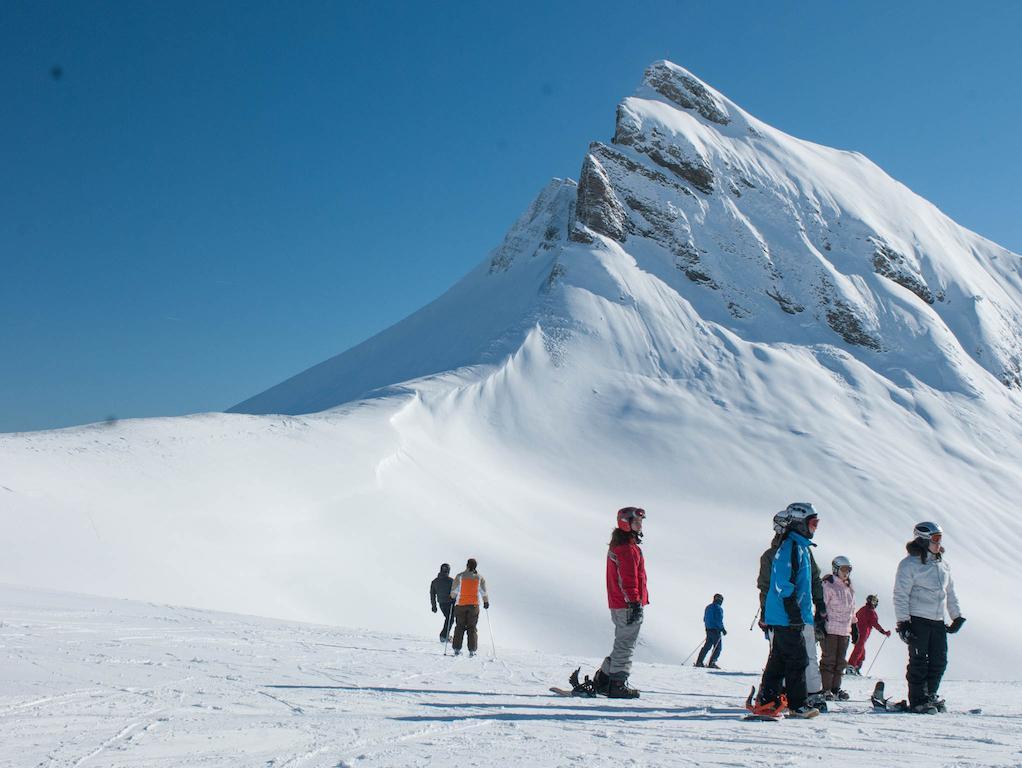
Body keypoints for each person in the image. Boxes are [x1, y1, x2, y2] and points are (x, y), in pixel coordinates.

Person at [752, 502, 820, 719]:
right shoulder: (790, 547)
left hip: (786, 615)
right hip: (787, 616)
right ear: (800, 524)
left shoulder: (799, 547)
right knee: (798, 659)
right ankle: (798, 704)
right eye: (813, 523)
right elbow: (783, 584)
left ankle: (768, 701)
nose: (815, 528)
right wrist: (794, 613)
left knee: (779, 659)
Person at [893, 522, 965, 714]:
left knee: (939, 660)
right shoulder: (909, 564)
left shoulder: (943, 564)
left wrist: (956, 616)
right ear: (923, 540)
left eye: (940, 538)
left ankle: (930, 694)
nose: (938, 542)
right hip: (918, 619)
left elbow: (950, 592)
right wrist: (903, 622)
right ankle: (918, 700)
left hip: (938, 620)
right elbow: (901, 594)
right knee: (919, 661)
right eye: (935, 538)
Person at [592, 506, 648, 699]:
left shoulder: (624, 546)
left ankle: (604, 680)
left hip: (620, 603)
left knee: (622, 642)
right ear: (625, 524)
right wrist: (634, 603)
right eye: (637, 522)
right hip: (626, 605)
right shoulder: (626, 549)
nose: (640, 526)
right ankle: (616, 684)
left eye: (641, 522)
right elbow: (628, 579)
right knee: (626, 644)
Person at [819, 556, 855, 700]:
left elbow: (851, 609)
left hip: (844, 630)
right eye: (843, 570)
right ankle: (826, 689)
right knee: (829, 660)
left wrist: (855, 625)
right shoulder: (828, 585)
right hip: (831, 629)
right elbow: (822, 605)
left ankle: (835, 688)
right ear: (836, 569)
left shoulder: (849, 587)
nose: (846, 573)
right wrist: (820, 623)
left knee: (841, 662)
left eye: (848, 570)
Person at [450, 558, 489, 657]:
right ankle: (472, 651)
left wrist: (452, 597)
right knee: (472, 628)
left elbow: (454, 591)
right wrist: (486, 602)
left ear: (467, 565)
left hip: (460, 605)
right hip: (474, 606)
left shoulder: (460, 576)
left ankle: (457, 649)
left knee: (459, 627)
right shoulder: (479, 578)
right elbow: (483, 592)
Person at [846, 595, 890, 674]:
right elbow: (875, 623)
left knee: (861, 653)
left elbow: (854, 618)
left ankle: (855, 668)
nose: (876, 604)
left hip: (857, 633)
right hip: (862, 634)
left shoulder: (862, 609)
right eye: (875, 601)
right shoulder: (870, 612)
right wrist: (884, 632)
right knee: (858, 650)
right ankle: (850, 667)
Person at [695, 594, 726, 668]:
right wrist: (722, 629)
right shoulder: (718, 608)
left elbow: (705, 619)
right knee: (718, 647)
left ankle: (699, 662)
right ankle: (712, 663)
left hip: (708, 629)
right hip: (716, 630)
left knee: (707, 646)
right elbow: (718, 620)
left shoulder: (708, 607)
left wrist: (707, 627)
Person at [430, 563, 454, 642]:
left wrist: (434, 606)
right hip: (451, 603)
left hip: (441, 604)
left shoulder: (435, 581)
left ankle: (445, 635)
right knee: (450, 619)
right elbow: (456, 592)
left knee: (448, 619)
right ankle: (444, 636)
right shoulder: (451, 581)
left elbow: (432, 594)